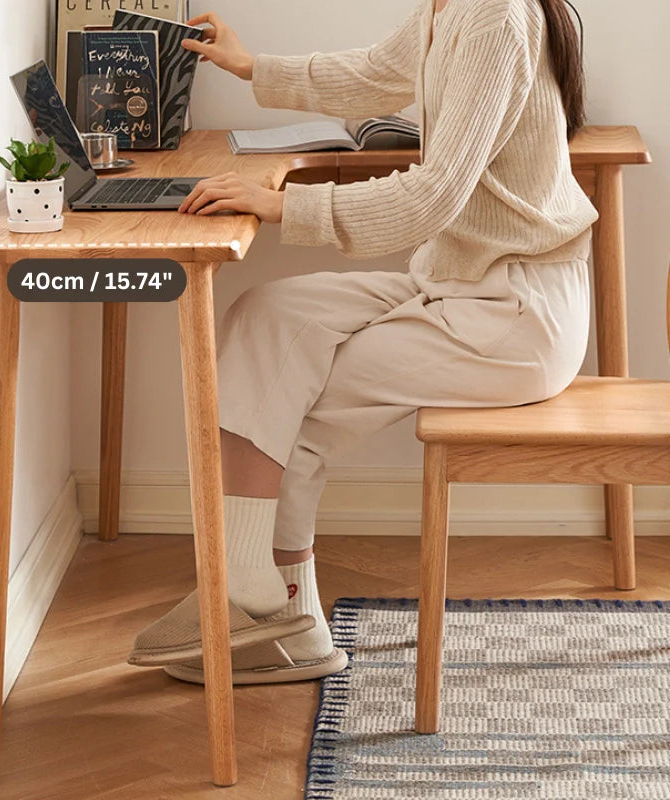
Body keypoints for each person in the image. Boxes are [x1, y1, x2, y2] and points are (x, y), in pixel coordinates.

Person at [127, 0, 598, 684]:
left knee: (302, 394)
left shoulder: (498, 14)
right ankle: (260, 598)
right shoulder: (452, 6)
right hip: (454, 283)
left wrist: (285, 206)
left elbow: (435, 194)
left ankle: (268, 611)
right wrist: (249, 65)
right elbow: (378, 73)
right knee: (267, 315)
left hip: (514, 315)